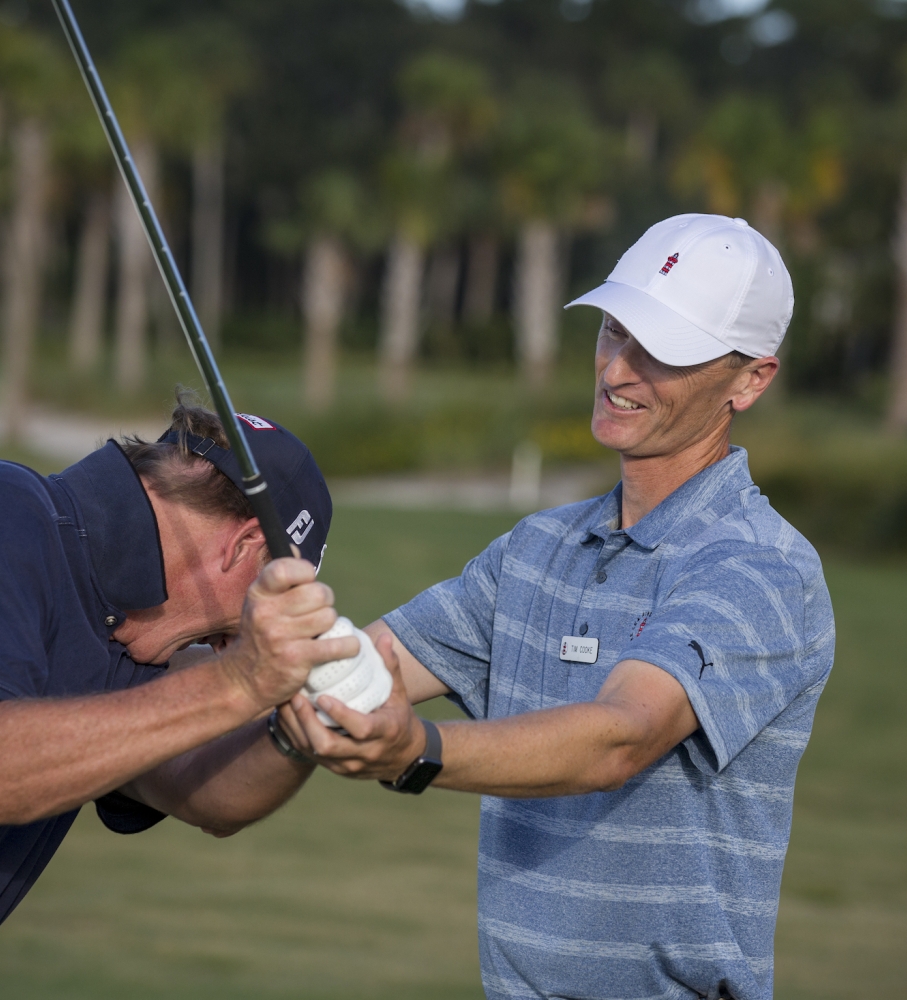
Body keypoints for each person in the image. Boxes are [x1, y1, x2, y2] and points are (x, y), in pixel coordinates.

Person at [279, 215, 836, 1000]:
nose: (618, 370)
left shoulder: (764, 565)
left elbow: (621, 738)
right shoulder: (535, 549)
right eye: (614, 331)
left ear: (752, 380)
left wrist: (417, 754)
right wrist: (253, 640)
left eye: (663, 353)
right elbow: (367, 672)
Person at [0, 398, 347, 964]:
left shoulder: (127, 643)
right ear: (243, 547)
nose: (243, 635)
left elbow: (208, 797)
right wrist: (237, 682)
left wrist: (303, 724)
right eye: (278, 588)